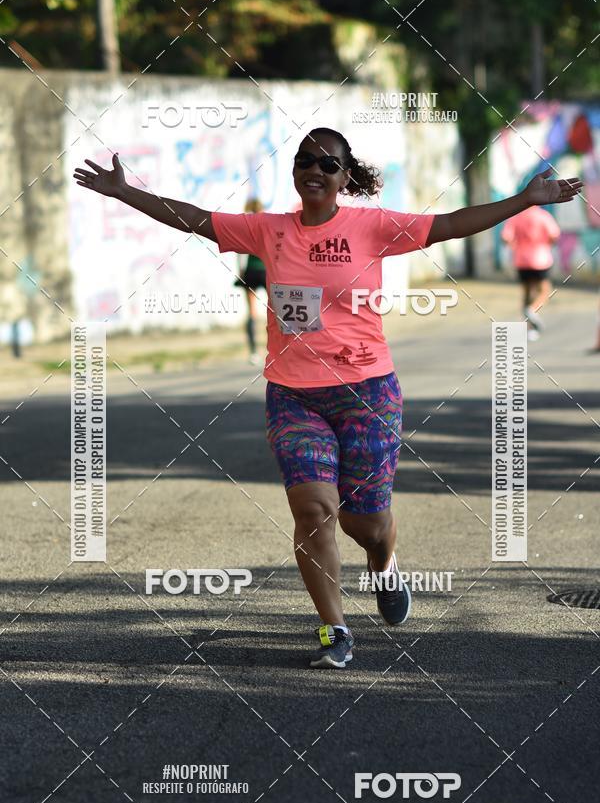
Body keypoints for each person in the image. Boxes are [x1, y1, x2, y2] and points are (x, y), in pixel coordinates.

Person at [74, 129, 582, 669]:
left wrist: (525, 200)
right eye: (304, 160)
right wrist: (126, 192)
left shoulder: (373, 226)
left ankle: (384, 565)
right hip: (294, 396)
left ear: (344, 176)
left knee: (364, 524)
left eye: (328, 163)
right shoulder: (268, 232)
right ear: (295, 172)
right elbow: (195, 219)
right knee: (314, 511)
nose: (314, 169)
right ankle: (333, 629)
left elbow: (451, 225)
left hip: (368, 394)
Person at [501, 203, 561, 341]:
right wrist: (546, 244)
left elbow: (506, 238)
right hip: (540, 259)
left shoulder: (515, 217)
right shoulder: (543, 216)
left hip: (521, 260)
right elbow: (554, 235)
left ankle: (530, 329)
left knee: (527, 293)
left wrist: (515, 246)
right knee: (545, 291)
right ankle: (533, 310)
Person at [234, 197, 267, 364]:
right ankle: (276, 350)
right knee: (275, 312)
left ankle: (254, 352)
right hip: (267, 271)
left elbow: (240, 253)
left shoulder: (246, 226)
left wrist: (240, 271)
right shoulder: (267, 225)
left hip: (250, 271)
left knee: (252, 313)